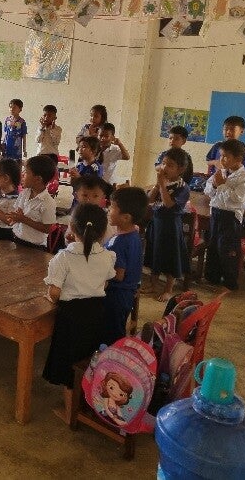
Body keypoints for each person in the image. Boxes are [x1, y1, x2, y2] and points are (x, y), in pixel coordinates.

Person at [42, 203, 116, 424]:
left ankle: (70, 414)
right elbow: (105, 284)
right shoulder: (107, 256)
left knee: (69, 365)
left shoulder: (63, 258)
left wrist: (50, 297)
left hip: (71, 317)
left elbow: (54, 292)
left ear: (71, 228)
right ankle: (87, 401)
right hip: (97, 312)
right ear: (102, 232)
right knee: (88, 358)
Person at [204, 139, 245, 291]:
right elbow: (208, 191)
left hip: (230, 218)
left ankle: (229, 282)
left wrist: (222, 185)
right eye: (221, 155)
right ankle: (212, 277)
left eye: (226, 156)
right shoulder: (221, 173)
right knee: (213, 246)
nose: (222, 159)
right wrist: (214, 185)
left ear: (238, 159)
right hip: (216, 214)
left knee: (227, 250)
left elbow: (239, 199)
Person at [144, 148, 191, 302]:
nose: (164, 167)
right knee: (154, 253)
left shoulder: (182, 187)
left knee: (171, 257)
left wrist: (162, 186)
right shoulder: (163, 182)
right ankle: (153, 284)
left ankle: (168, 289)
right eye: (163, 163)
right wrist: (158, 185)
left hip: (171, 226)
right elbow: (150, 200)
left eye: (170, 165)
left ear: (181, 169)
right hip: (157, 222)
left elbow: (169, 204)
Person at [104, 187, 149, 344]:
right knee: (117, 328)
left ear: (125, 217)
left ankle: (114, 355)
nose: (108, 210)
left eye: (112, 207)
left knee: (112, 333)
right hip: (128, 293)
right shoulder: (134, 233)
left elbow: (118, 275)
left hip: (115, 296)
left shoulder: (119, 242)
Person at [8, 155, 57, 249]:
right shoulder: (24, 193)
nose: (22, 174)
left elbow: (47, 229)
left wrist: (24, 219)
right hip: (18, 238)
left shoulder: (47, 202)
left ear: (38, 179)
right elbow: (18, 212)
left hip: (35, 246)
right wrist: (14, 218)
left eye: (26, 172)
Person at [98, 122, 130, 188]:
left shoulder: (115, 149)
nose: (103, 138)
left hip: (108, 184)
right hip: (95, 183)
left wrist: (120, 144)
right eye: (101, 135)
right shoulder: (94, 148)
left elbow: (127, 157)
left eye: (106, 136)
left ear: (112, 138)